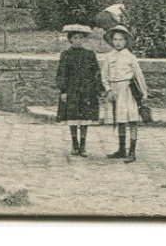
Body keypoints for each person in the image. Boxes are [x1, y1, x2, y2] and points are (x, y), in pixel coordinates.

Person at [99, 24, 148, 163]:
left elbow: (139, 75)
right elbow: (104, 76)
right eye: (115, 39)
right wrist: (108, 89)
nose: (118, 42)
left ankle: (132, 151)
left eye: (121, 39)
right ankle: (121, 149)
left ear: (125, 41)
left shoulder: (130, 56)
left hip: (127, 90)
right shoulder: (109, 57)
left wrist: (144, 93)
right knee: (119, 120)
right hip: (114, 91)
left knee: (132, 119)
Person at [55, 24, 103, 157]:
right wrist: (63, 90)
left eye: (81, 38)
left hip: (87, 90)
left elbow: (96, 72)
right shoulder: (66, 55)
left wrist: (97, 89)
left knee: (84, 118)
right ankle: (74, 143)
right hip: (72, 90)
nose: (78, 40)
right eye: (75, 38)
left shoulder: (89, 54)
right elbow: (61, 73)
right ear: (70, 39)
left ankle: (83, 144)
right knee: (73, 117)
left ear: (84, 40)